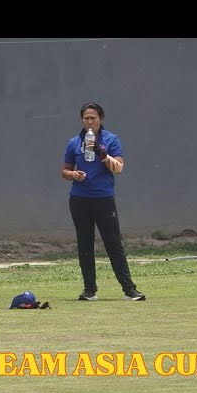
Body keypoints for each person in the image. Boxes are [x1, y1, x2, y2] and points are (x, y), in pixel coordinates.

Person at [61, 103, 146, 302]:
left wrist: (102, 153)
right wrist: (73, 174)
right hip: (79, 199)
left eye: (93, 118)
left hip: (103, 199)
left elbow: (118, 168)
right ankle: (89, 290)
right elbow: (64, 170)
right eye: (86, 118)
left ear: (101, 119)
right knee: (85, 244)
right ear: (82, 120)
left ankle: (129, 289)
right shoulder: (74, 142)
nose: (90, 122)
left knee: (113, 243)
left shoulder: (111, 140)